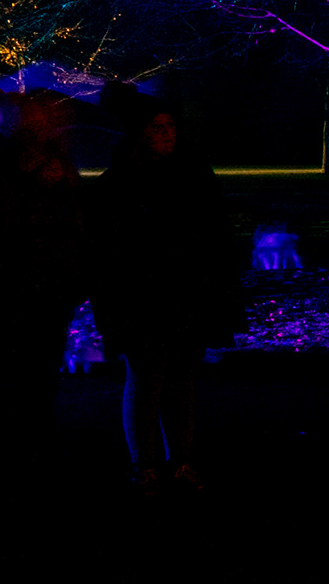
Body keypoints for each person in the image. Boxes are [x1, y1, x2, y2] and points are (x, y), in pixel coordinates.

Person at [92, 97, 241, 492]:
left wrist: (216, 293)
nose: (167, 134)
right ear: (141, 133)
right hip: (141, 300)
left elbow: (216, 239)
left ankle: (179, 460)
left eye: (170, 126)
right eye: (158, 128)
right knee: (146, 380)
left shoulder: (192, 176)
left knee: (180, 381)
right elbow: (108, 251)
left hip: (185, 296)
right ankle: (145, 464)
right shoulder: (120, 182)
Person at [0, 92, 92, 458]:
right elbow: (2, 223)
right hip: (25, 288)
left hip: (42, 287)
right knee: (25, 381)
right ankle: (22, 458)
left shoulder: (21, 162)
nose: (42, 125)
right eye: (36, 119)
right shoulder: (8, 165)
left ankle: (23, 457)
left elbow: (74, 222)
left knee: (32, 381)